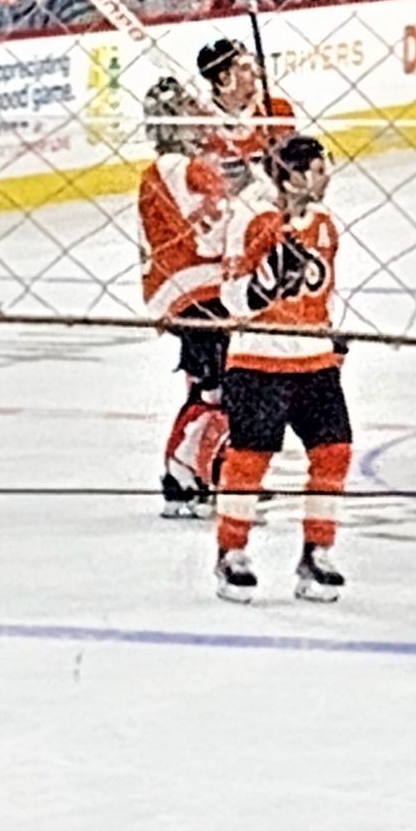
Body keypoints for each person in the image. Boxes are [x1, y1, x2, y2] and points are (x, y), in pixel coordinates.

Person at [213, 135, 350, 603]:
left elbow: (326, 290)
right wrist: (265, 288)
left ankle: (317, 552)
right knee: (250, 460)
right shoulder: (253, 219)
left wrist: (334, 334)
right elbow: (231, 300)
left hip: (312, 358)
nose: (325, 176)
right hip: (258, 359)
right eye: (315, 168)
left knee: (334, 451)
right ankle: (231, 553)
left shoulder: (326, 224)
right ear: (290, 174)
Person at [137, 77, 231, 516]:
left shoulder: (166, 167)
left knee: (212, 385)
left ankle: (196, 470)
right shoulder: (185, 168)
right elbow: (213, 237)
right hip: (199, 289)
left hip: (182, 290)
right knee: (218, 387)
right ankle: (184, 471)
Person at [194, 38, 294, 189]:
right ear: (224, 78)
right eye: (245, 67)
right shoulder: (198, 123)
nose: (256, 73)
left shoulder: (274, 110)